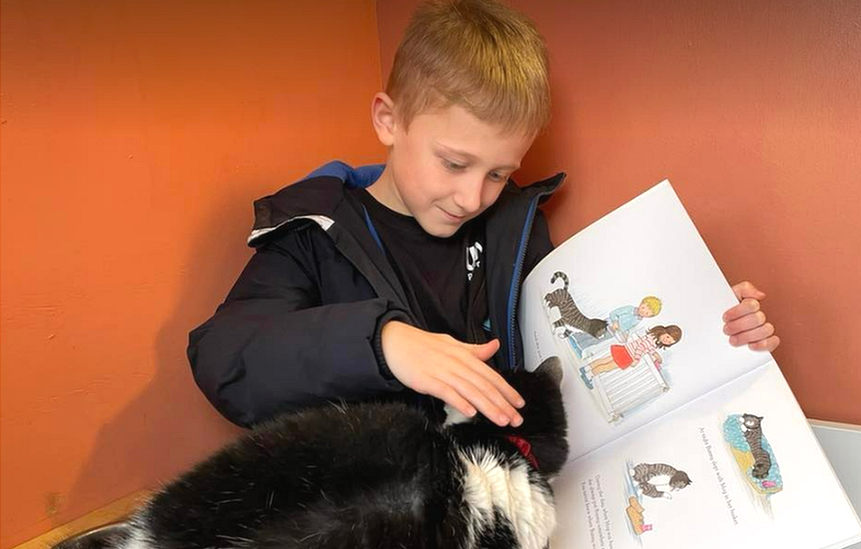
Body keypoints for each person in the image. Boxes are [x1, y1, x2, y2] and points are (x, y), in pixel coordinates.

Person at [187, 0, 780, 430]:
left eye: (497, 173)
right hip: (371, 509)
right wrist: (383, 343)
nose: (473, 198)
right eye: (453, 163)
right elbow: (223, 357)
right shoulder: (313, 231)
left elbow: (576, 339)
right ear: (389, 121)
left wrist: (701, 321)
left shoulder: (512, 230)